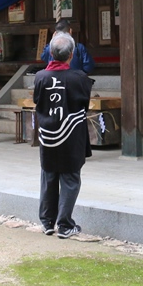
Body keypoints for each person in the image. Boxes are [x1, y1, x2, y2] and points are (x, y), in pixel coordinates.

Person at [34, 32, 94, 239]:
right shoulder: (80, 78)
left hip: (48, 133)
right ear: (71, 55)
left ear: (51, 53)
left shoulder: (40, 77)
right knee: (70, 178)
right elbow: (85, 103)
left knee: (48, 175)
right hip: (71, 135)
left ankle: (47, 222)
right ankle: (65, 224)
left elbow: (37, 101)